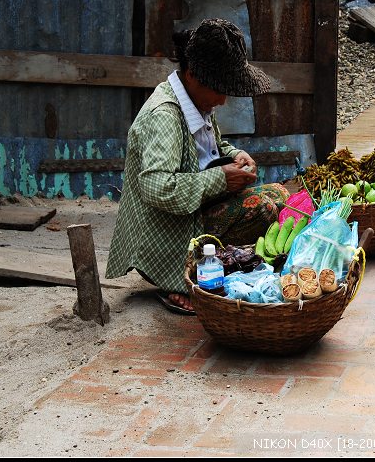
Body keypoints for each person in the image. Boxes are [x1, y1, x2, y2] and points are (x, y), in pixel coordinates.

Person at [106, 18, 289, 314]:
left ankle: (218, 267)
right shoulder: (164, 115)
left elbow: (212, 147)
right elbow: (157, 187)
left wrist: (236, 155)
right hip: (165, 230)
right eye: (220, 89)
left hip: (192, 210)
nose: (223, 99)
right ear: (193, 75)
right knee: (262, 208)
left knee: (281, 195)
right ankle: (180, 279)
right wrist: (220, 180)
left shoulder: (198, 102)